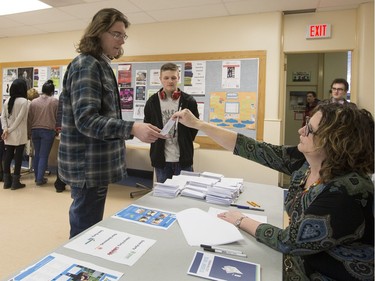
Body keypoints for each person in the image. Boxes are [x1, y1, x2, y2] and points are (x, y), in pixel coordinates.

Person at [173, 102, 374, 281]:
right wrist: (199, 124)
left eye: (309, 130)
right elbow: (254, 149)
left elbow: (290, 242)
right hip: (295, 264)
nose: (301, 130)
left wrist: (241, 220)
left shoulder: (346, 192)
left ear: (334, 142)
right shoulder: (307, 162)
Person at [59, 8, 165, 238]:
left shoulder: (101, 65)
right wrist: (132, 128)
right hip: (87, 167)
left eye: (123, 36)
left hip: (96, 166)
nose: (121, 41)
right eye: (116, 34)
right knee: (84, 231)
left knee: (89, 227)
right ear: (98, 33)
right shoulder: (86, 65)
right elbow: (86, 121)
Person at [144, 63, 199, 183]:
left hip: (183, 159)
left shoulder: (189, 101)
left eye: (173, 78)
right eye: (166, 78)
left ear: (178, 78)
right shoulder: (152, 102)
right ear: (160, 79)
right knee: (164, 197)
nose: (170, 81)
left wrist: (184, 140)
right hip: (161, 160)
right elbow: (147, 126)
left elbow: (195, 127)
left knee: (185, 196)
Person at [28, 80, 59, 186]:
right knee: (43, 155)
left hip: (35, 130)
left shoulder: (34, 102)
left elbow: (30, 118)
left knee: (37, 155)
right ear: (52, 91)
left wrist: (29, 132)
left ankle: (37, 177)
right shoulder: (54, 101)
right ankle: (40, 179)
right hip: (48, 131)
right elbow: (57, 117)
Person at [1, 79, 29, 190]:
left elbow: (2, 117)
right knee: (18, 157)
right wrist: (9, 129)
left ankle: (7, 181)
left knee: (8, 156)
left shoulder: (7, 100)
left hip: (8, 134)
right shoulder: (24, 101)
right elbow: (19, 119)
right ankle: (16, 182)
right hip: (19, 133)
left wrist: (5, 129)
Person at [54, 96, 66, 193]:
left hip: (64, 129)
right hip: (75, 130)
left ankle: (59, 183)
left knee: (62, 156)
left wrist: (58, 127)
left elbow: (60, 112)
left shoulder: (63, 94)